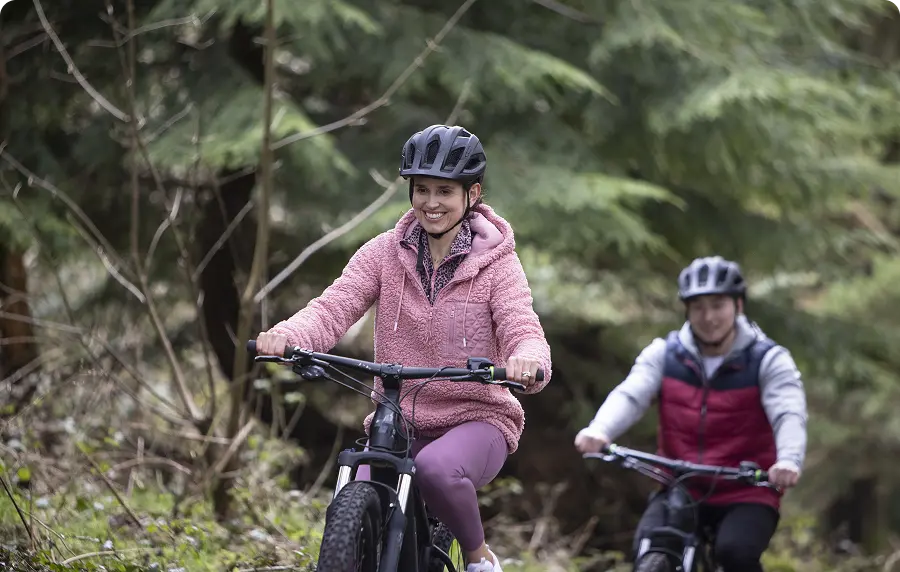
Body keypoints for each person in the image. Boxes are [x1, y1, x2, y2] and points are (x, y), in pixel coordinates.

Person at [256, 124, 552, 572]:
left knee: (436, 467)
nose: (431, 203)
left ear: (473, 194)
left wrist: (527, 359)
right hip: (398, 418)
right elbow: (334, 306)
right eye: (421, 189)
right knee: (361, 486)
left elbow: (520, 324)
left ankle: (478, 558)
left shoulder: (499, 266)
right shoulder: (382, 253)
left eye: (444, 191)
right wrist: (290, 336)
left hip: (478, 417)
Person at [574, 256, 808, 572]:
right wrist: (600, 430)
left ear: (738, 306)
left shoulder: (769, 360)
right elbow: (632, 394)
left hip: (746, 489)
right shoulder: (665, 354)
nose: (708, 316)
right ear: (687, 310)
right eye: (698, 307)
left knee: (735, 554)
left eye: (717, 305)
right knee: (649, 550)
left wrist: (788, 460)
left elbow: (788, 413)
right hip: (680, 485)